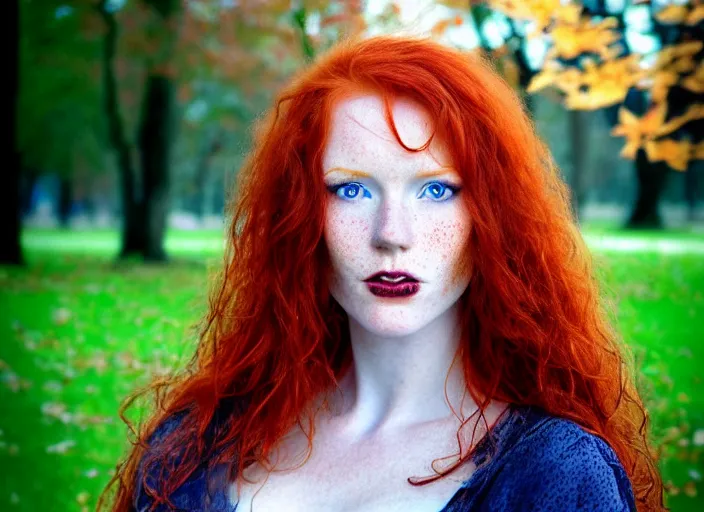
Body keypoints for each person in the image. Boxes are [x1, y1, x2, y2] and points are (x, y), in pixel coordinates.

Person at [101, 35, 666, 511]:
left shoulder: (554, 476)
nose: (391, 232)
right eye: (351, 189)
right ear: (301, 215)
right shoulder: (192, 448)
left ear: (492, 217)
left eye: (437, 189)